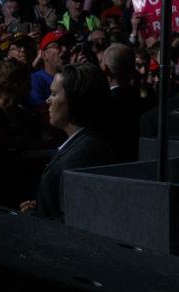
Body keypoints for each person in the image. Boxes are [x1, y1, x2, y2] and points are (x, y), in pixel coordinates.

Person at [20, 62, 120, 222]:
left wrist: (35, 218)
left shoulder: (84, 156)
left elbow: (75, 221)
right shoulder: (83, 145)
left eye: (53, 93)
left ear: (74, 99)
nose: (48, 100)